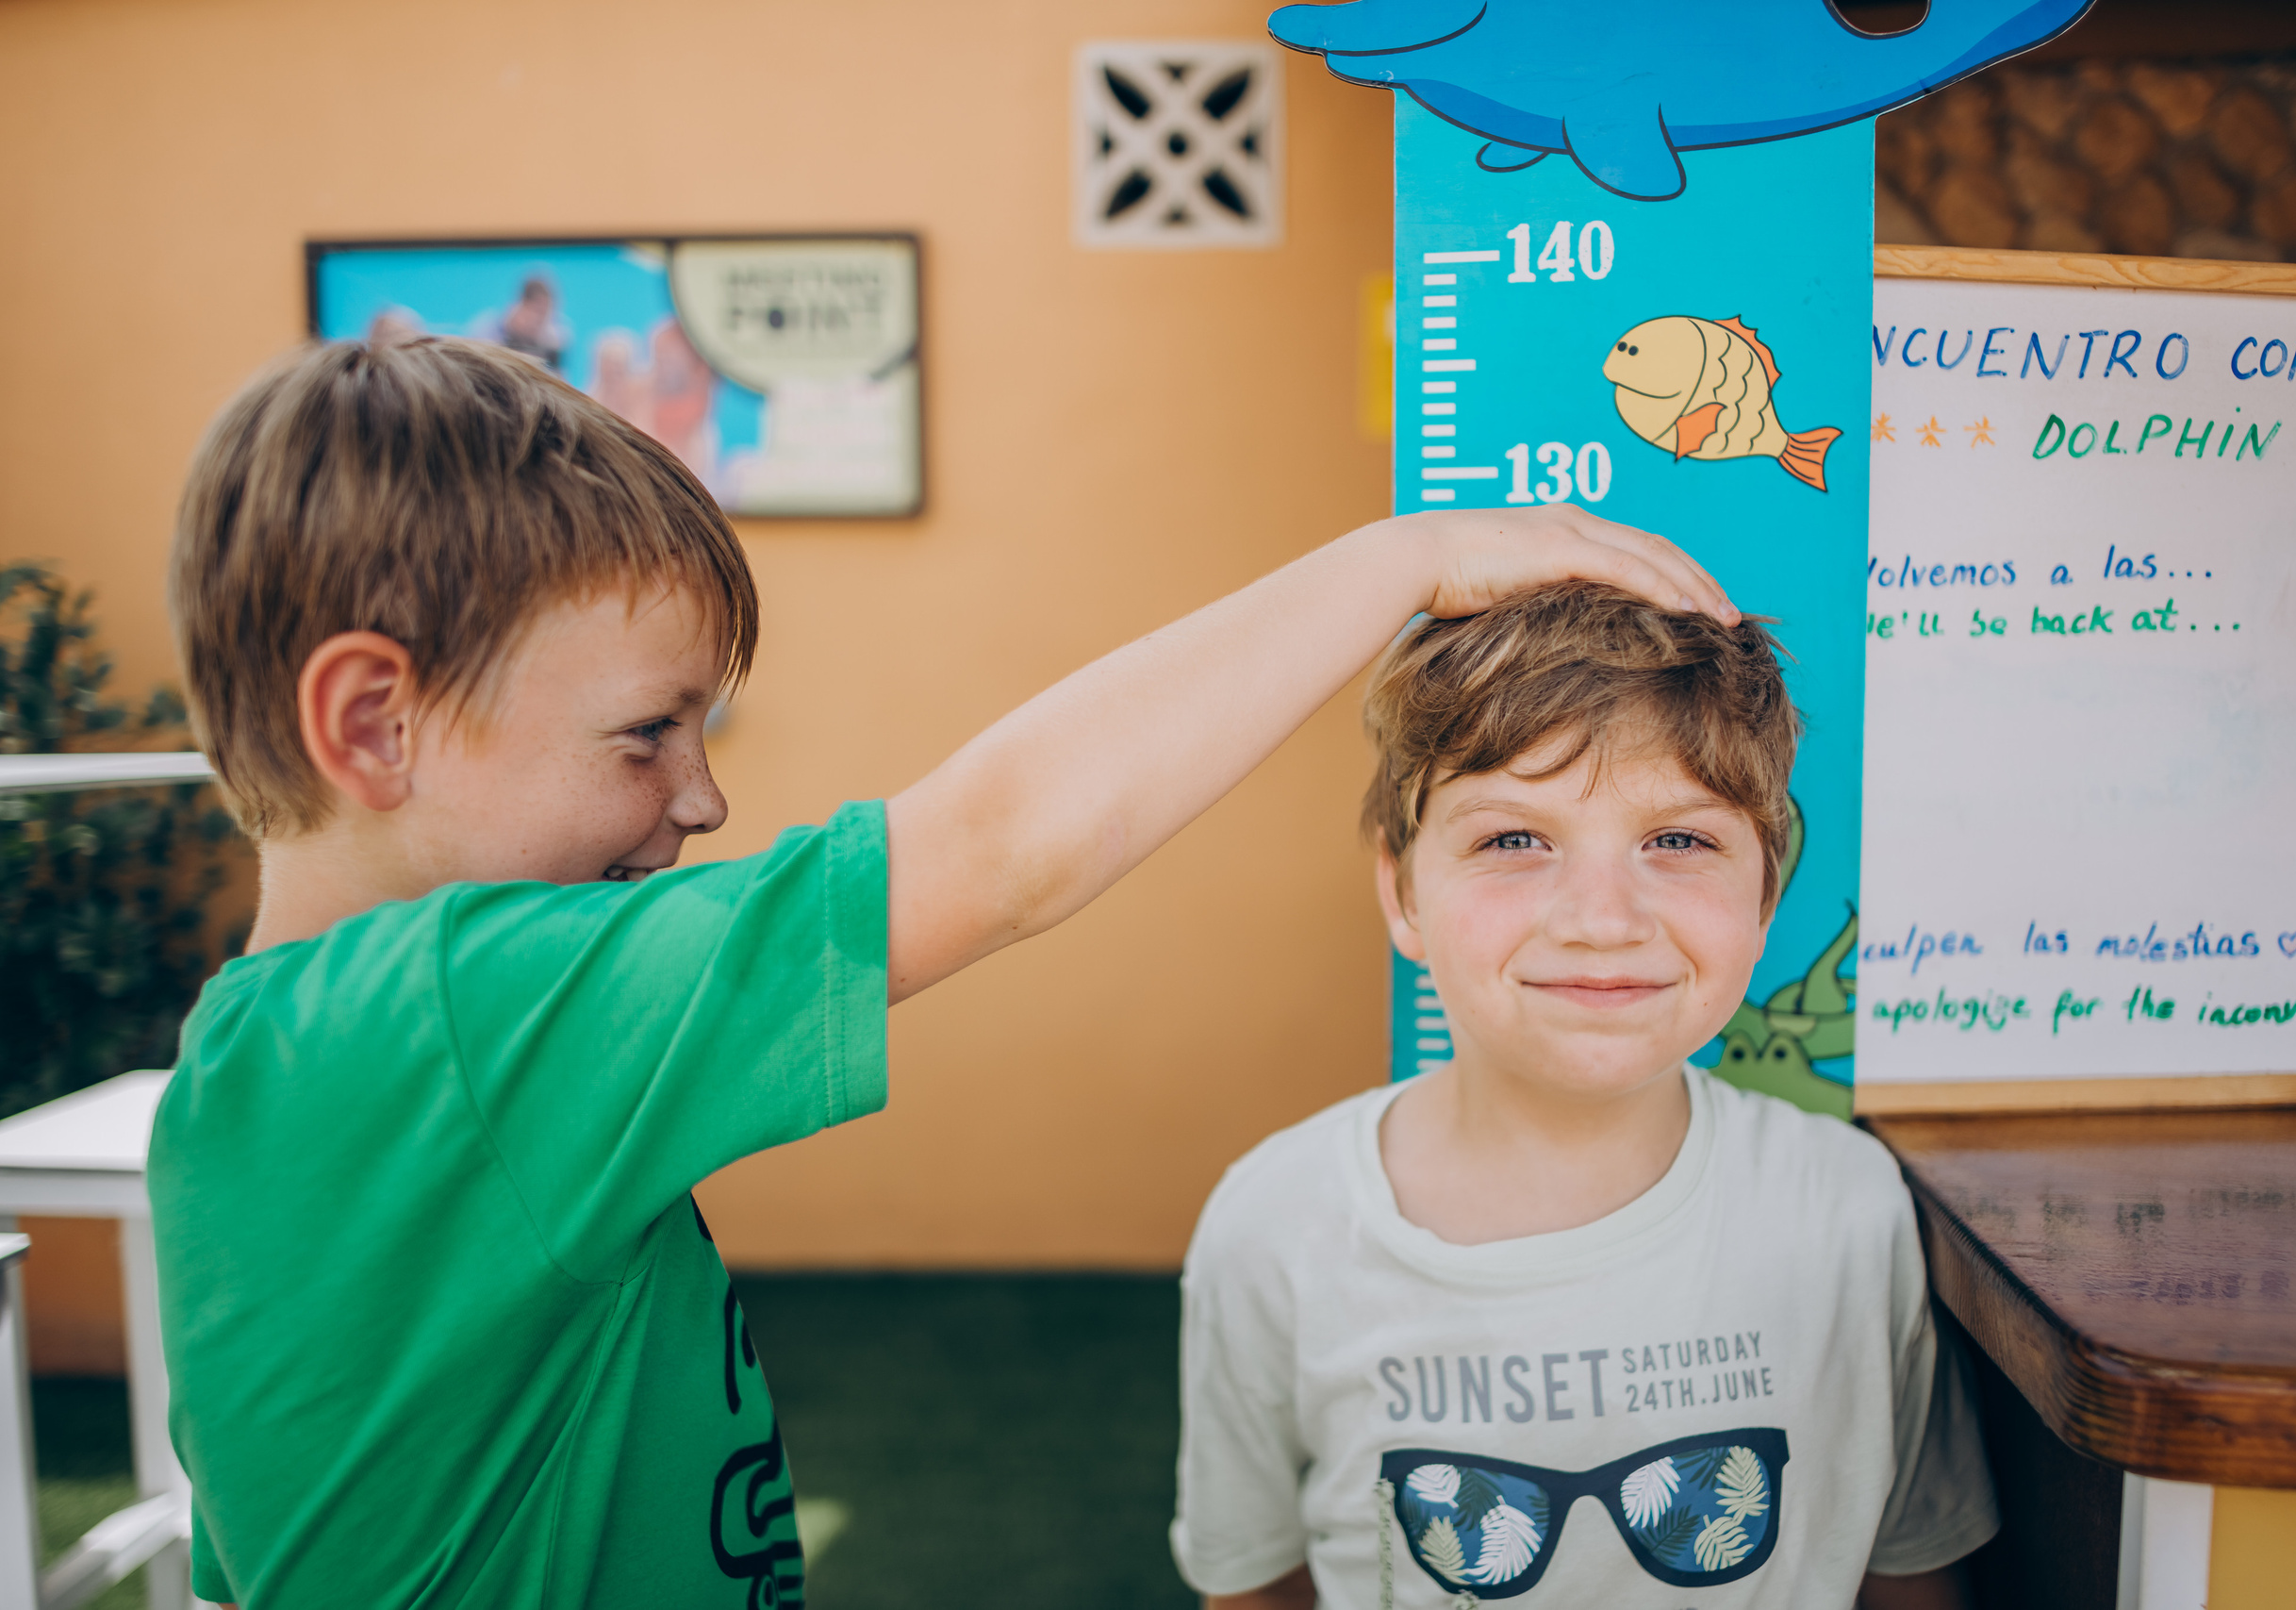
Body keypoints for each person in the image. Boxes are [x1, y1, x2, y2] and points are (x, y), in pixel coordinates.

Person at [150, 335, 1734, 1610]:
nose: (700, 799)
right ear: (372, 723)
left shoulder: (276, 1066)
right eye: (645, 733)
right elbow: (994, 849)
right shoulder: (449, 1022)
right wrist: (1410, 557)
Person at [1170, 583, 1996, 1610]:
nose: (1601, 921)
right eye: (1514, 840)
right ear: (1403, 894)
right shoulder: (1274, 1222)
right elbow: (1254, 1585)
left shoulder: (1850, 1209)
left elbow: (1908, 1573)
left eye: (1679, 841)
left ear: (1765, 896)